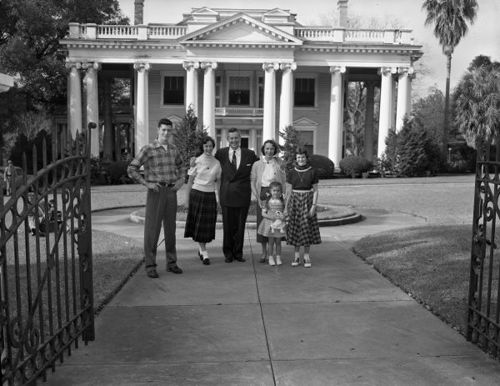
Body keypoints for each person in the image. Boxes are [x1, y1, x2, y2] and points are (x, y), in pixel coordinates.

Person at [127, 118, 186, 278]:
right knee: (152, 230)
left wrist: (180, 181)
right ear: (158, 130)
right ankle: (150, 265)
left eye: (169, 130)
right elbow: (132, 168)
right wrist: (146, 183)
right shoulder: (148, 149)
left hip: (171, 192)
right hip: (156, 191)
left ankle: (171, 263)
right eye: (163, 130)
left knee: (171, 230)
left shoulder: (174, 150)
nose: (166, 133)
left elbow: (182, 167)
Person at [215, 128, 258, 263]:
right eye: (231, 138)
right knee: (228, 226)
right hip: (226, 195)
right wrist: (194, 159)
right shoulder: (220, 153)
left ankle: (238, 253)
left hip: (243, 195)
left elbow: (259, 167)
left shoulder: (250, 154)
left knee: (240, 226)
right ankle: (228, 253)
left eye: (236, 138)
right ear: (228, 139)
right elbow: (208, 160)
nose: (234, 140)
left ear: (240, 139)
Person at [184, 136, 221, 265]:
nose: (208, 148)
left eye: (210, 146)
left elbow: (218, 183)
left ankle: (201, 249)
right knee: (199, 225)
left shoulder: (217, 163)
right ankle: (204, 252)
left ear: (213, 147)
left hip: (210, 196)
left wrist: (218, 200)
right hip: (197, 194)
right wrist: (187, 201)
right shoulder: (196, 161)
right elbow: (189, 182)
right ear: (202, 147)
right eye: (206, 146)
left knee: (206, 226)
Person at [250, 139, 286, 263]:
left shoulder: (280, 162)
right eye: (267, 148)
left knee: (277, 222)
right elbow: (253, 181)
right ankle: (264, 252)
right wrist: (257, 196)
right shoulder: (257, 164)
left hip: (276, 194)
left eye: (271, 148)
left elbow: (284, 179)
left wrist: (284, 196)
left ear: (274, 150)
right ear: (263, 150)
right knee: (264, 223)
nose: (269, 151)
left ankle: (276, 253)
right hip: (263, 194)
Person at [285, 148, 321, 268]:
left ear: (306, 158)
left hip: (308, 200)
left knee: (307, 228)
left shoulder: (313, 171)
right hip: (295, 201)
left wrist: (313, 207)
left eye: (303, 157)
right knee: (296, 228)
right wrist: (286, 208)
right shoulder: (291, 172)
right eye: (299, 157)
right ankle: (296, 255)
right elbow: (288, 192)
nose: (301, 159)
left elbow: (315, 190)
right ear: (296, 159)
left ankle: (306, 256)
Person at [257, 181, 287, 266]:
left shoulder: (283, 202)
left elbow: (286, 213)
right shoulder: (267, 202)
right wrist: (271, 217)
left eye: (278, 191)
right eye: (274, 190)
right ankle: (270, 257)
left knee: (278, 242)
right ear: (270, 191)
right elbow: (263, 213)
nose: (276, 192)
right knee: (271, 242)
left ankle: (278, 257)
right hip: (270, 225)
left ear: (280, 192)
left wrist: (283, 216)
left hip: (279, 224)